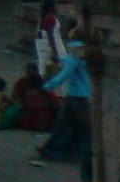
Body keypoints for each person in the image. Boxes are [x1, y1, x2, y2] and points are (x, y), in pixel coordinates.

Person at [39, 41, 92, 173]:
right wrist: (59, 59)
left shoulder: (75, 54)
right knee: (77, 126)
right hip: (83, 95)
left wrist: (47, 86)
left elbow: (65, 73)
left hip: (76, 96)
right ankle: (72, 151)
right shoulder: (83, 51)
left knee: (67, 125)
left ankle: (57, 150)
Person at [12, 64, 58, 133]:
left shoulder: (23, 83)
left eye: (28, 70)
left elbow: (15, 97)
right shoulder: (44, 87)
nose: (26, 72)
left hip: (31, 119)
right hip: (47, 122)